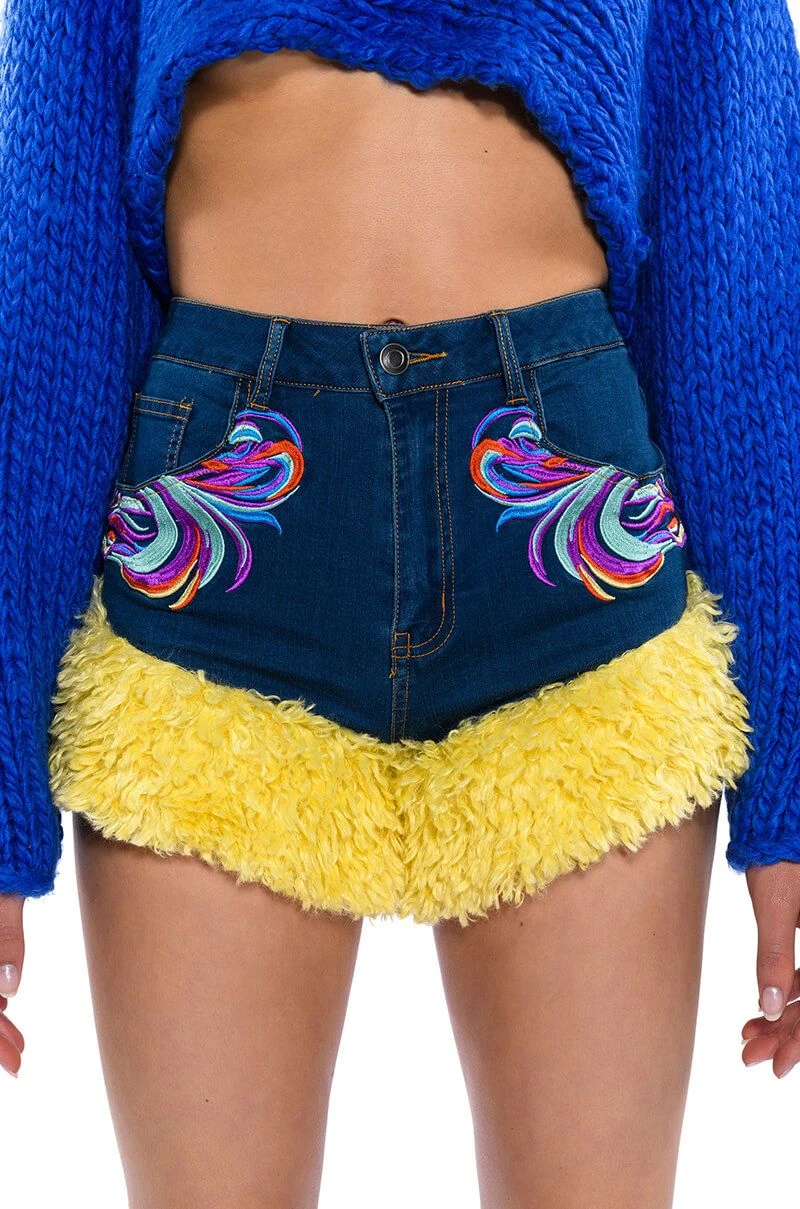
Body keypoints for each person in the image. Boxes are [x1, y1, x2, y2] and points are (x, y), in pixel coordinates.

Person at [0, 4, 799, 1207]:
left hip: (565, 548)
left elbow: (740, 273)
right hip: (219, 558)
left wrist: (788, 795)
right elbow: (49, 280)